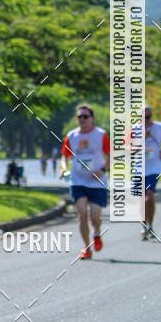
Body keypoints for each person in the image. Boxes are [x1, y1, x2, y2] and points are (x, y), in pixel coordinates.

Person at [60, 104, 110, 259]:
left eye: (85, 116)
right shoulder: (72, 136)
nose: (82, 119)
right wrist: (63, 168)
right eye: (79, 117)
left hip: (97, 182)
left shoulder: (101, 135)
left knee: (95, 217)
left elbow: (111, 155)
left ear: (92, 119)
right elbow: (65, 156)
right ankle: (86, 248)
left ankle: (96, 233)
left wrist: (103, 170)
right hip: (77, 181)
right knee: (81, 214)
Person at [134, 105, 161, 240]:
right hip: (139, 167)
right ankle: (143, 227)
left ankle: (150, 225)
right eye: (143, 117)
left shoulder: (160, 127)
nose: (146, 120)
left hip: (154, 167)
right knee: (142, 200)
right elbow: (127, 146)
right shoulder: (135, 129)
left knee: (150, 196)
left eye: (148, 117)